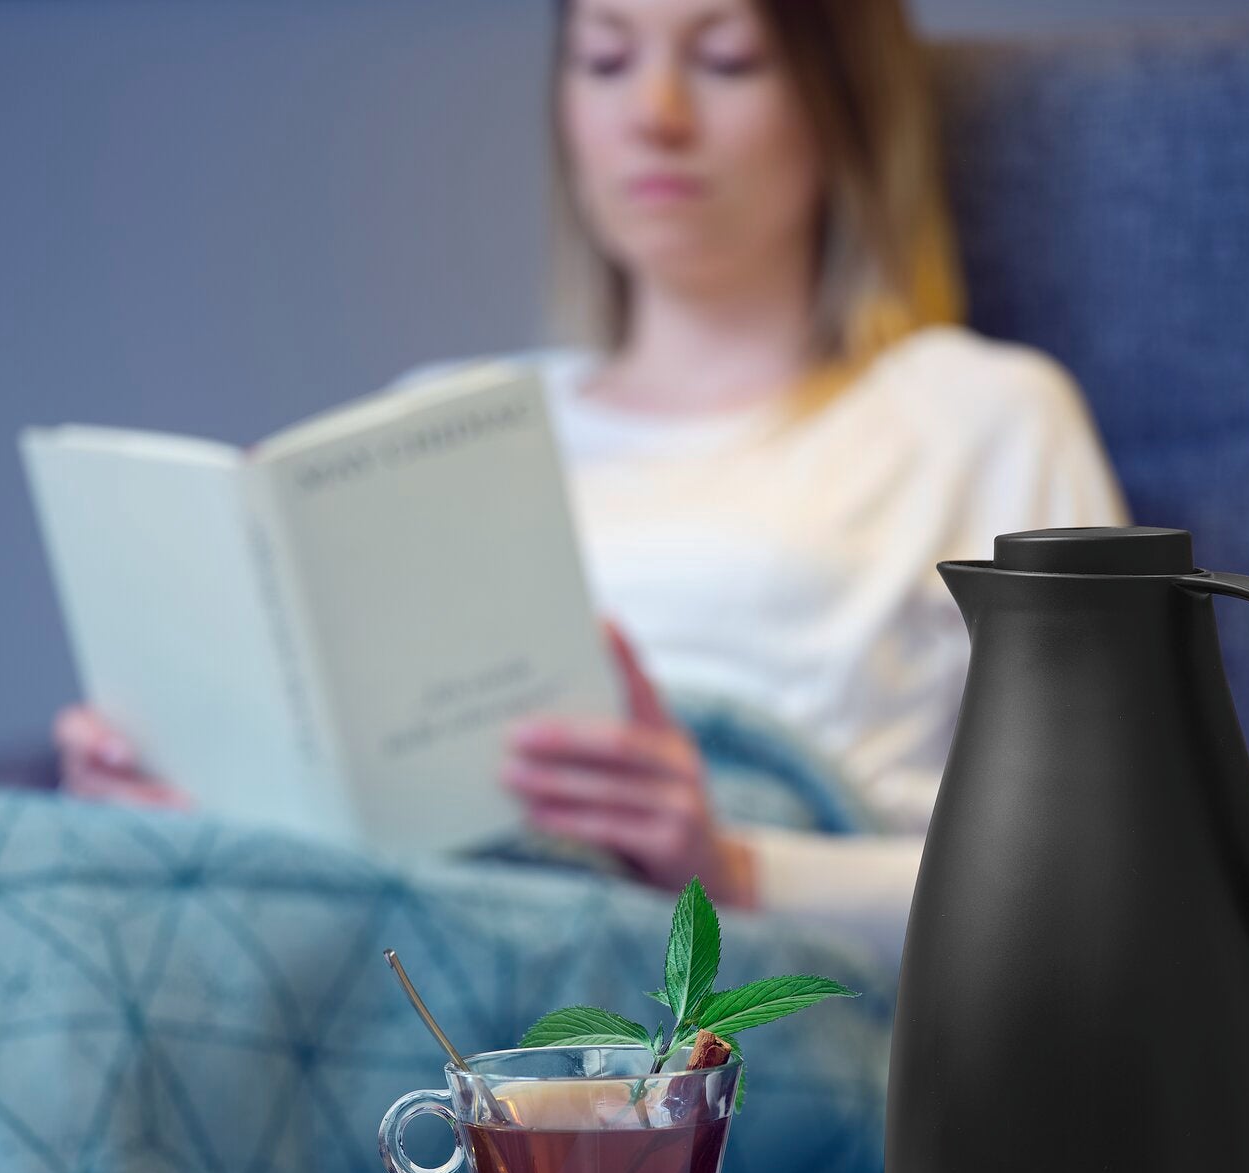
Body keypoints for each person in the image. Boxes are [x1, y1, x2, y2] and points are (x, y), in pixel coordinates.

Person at [57, 0, 1125, 964]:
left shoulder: (975, 413)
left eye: (727, 59)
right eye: (606, 60)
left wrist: (735, 870)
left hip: (719, 989)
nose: (653, 113)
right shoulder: (440, 418)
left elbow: (1115, 872)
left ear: (841, 100)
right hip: (397, 931)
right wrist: (170, 804)